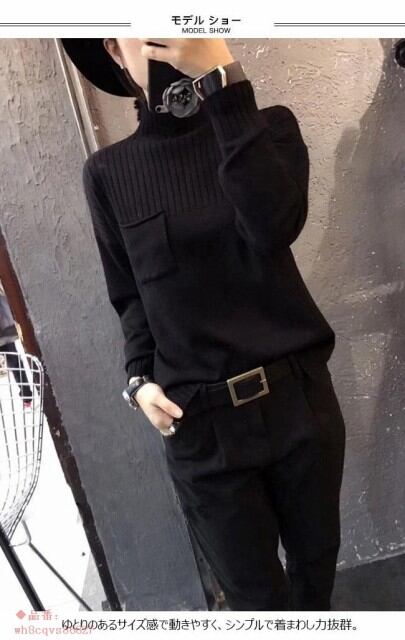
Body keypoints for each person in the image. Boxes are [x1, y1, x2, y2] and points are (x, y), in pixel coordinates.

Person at [62, 38, 346, 611]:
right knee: (254, 601)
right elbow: (130, 297)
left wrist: (225, 82)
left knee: (315, 578)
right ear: (114, 50)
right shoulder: (109, 173)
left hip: (299, 403)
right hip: (201, 427)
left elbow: (273, 228)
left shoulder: (269, 128)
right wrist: (138, 380)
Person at [0, 280, 33, 408]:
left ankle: (26, 396)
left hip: (4, 329)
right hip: (4, 328)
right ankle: (27, 396)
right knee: (14, 361)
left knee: (14, 361)